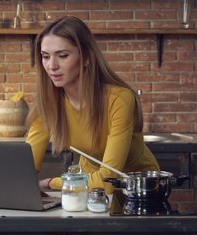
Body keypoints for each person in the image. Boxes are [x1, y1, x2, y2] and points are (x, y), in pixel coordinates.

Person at [25, 16, 160, 193]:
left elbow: (109, 180)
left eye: (62, 56)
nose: (51, 66)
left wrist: (51, 183)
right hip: (88, 187)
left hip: (138, 188)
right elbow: (26, 168)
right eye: (45, 56)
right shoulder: (48, 102)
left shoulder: (119, 99)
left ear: (87, 56)